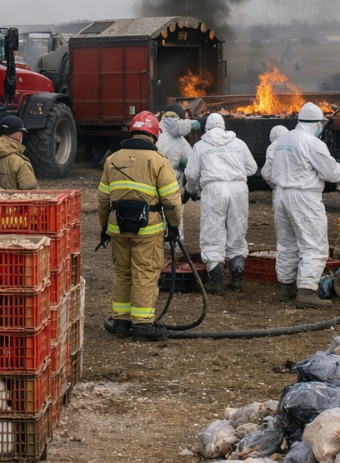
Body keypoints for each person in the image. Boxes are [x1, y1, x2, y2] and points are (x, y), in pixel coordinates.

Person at [98, 111, 183, 341]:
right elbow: (171, 201)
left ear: (132, 132)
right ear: (154, 135)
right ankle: (143, 325)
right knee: (144, 273)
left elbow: (103, 199)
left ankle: (122, 322)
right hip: (148, 230)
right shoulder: (158, 161)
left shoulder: (112, 159)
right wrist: (174, 227)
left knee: (122, 272)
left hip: (117, 228)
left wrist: (104, 227)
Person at [265, 103, 340, 308]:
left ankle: (286, 285)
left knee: (287, 243)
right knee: (314, 244)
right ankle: (307, 291)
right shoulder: (313, 143)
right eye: (321, 124)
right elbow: (331, 173)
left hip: (281, 194)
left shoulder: (284, 140)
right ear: (316, 123)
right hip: (304, 196)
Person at [184, 113, 258, 293]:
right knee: (237, 229)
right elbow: (252, 168)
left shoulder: (200, 146)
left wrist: (190, 190)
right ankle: (236, 278)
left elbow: (192, 174)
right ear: (224, 127)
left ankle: (215, 281)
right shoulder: (239, 143)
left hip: (214, 189)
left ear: (206, 128)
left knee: (213, 231)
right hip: (238, 188)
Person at [157, 108, 199, 184]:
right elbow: (191, 160)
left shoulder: (157, 131)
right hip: (174, 180)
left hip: (156, 176)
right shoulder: (180, 139)